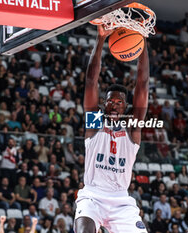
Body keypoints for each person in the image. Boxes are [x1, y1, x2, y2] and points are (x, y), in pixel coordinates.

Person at [74, 25, 149, 233]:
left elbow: (142, 84)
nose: (114, 105)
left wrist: (142, 42)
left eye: (119, 102)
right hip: (92, 196)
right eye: (110, 101)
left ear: (126, 107)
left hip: (121, 201)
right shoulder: (96, 122)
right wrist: (100, 39)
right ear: (104, 104)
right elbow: (90, 81)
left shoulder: (132, 128)